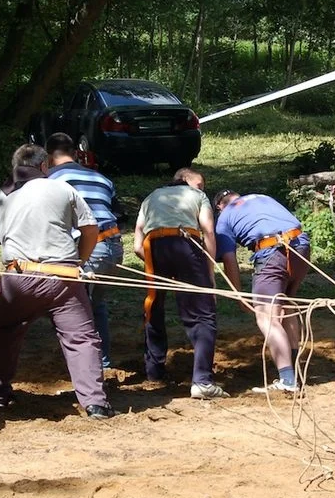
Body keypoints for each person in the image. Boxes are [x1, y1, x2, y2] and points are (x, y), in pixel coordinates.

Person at [0, 144, 113, 419]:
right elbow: (91, 229)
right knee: (81, 338)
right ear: (45, 167)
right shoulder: (61, 188)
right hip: (63, 277)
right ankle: (95, 402)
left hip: (18, 276)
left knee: (6, 334)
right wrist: (80, 263)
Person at [133, 168, 227, 399]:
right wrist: (209, 272)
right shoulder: (197, 197)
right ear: (185, 179)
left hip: (153, 246)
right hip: (187, 244)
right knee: (203, 313)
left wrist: (160, 264)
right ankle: (202, 381)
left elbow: (136, 243)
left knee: (153, 307)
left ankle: (154, 372)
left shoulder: (152, 196)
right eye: (199, 184)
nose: (201, 189)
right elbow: (208, 230)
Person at [213, 190, 310, 393]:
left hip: (272, 252)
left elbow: (230, 260)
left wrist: (239, 296)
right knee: (288, 306)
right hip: (301, 246)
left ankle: (288, 379)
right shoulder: (263, 197)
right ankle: (295, 372)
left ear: (219, 206)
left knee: (267, 317)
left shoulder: (224, 217)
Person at [46, 132, 123, 369]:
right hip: (114, 248)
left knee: (74, 309)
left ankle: (88, 365)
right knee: (95, 306)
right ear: (76, 153)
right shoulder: (101, 178)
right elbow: (116, 212)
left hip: (89, 249)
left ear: (48, 156)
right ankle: (102, 361)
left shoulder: (50, 180)